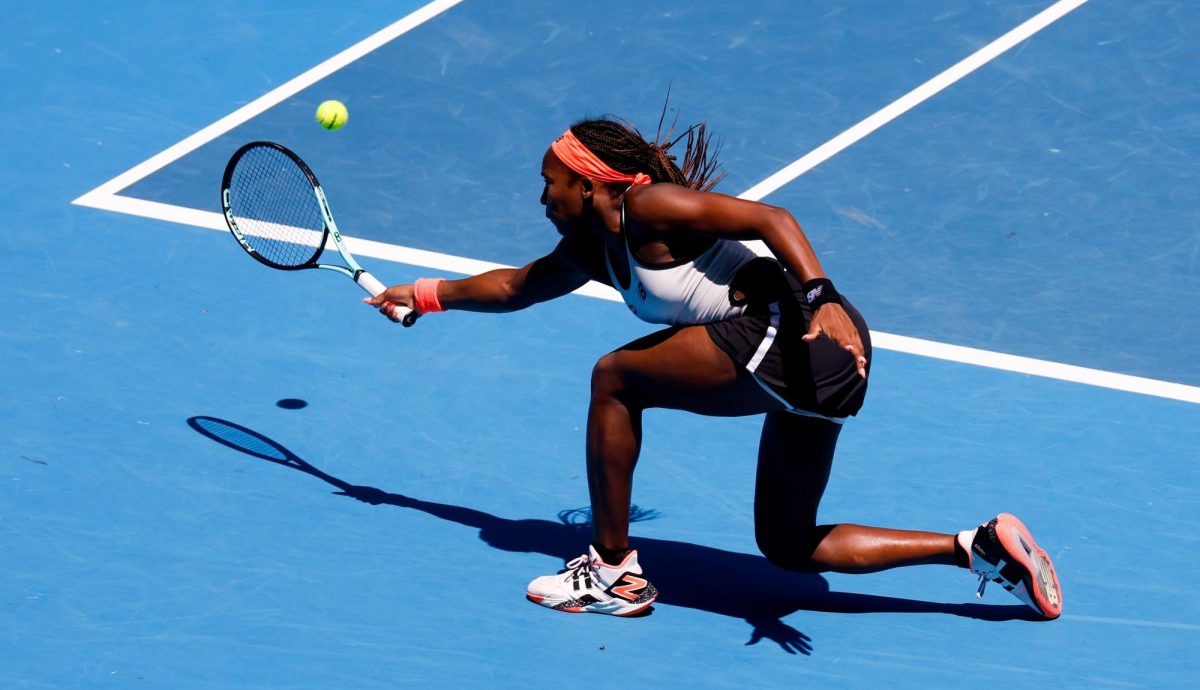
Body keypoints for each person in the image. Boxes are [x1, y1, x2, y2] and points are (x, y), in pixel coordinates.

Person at [365, 113, 1063, 620]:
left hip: (800, 335)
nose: (541, 198)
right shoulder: (590, 251)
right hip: (814, 363)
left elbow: (771, 218)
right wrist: (425, 297)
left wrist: (821, 298)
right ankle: (978, 547)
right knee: (787, 544)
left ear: (586, 185)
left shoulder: (650, 207)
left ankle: (612, 573)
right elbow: (516, 287)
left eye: (549, 184)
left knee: (614, 377)